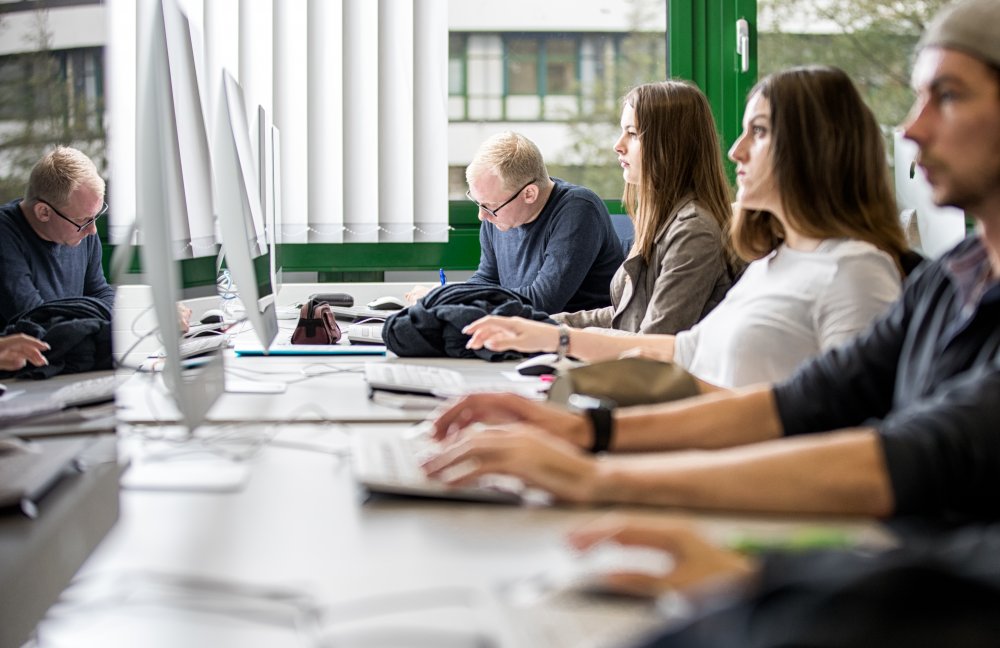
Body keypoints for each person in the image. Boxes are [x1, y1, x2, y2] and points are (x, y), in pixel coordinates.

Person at [425, 9, 1000, 523]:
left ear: (813, 149)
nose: (914, 129)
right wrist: (580, 427)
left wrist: (599, 468)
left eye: (946, 96)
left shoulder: (859, 270)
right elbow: (778, 398)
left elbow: (884, 451)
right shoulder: (942, 282)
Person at [463, 66, 913, 389]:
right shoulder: (773, 261)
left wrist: (557, 348)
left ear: (816, 151)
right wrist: (543, 332)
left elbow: (833, 426)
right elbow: (682, 350)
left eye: (757, 132)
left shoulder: (853, 272)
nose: (735, 151)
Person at [549, 81, 738, 335]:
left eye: (633, 133)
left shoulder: (694, 231)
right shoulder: (662, 221)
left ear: (671, 145)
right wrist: (545, 324)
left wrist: (560, 338)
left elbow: (654, 340)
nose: (618, 145)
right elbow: (626, 316)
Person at [406, 131, 624, 315]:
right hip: (521, 337)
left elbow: (541, 302)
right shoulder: (497, 216)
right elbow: (487, 281)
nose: (482, 216)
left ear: (529, 193)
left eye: (489, 206)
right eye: (478, 203)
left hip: (575, 345)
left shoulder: (578, 209)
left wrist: (447, 297)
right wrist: (442, 296)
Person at [0, 146, 115, 328]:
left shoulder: (82, 229)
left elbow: (100, 293)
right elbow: (37, 321)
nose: (92, 230)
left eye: (95, 217)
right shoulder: (5, 238)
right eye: (83, 220)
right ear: (43, 212)